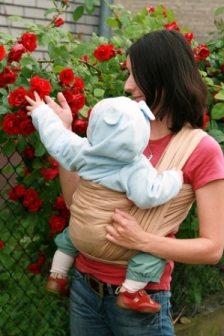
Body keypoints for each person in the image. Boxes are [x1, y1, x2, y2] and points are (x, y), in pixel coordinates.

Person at [29, 29, 224, 336]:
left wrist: (142, 241)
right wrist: (66, 134)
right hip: (84, 288)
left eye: (136, 75)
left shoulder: (200, 150)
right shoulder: (117, 134)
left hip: (141, 300)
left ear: (163, 76)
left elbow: (212, 248)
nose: (127, 85)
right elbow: (75, 204)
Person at [26, 93, 183, 314]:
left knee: (71, 234)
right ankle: (130, 292)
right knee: (154, 252)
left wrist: (41, 112)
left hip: (81, 235)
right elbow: (150, 195)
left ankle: (57, 275)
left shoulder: (82, 150)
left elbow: (56, 138)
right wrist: (174, 178)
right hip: (110, 238)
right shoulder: (134, 167)